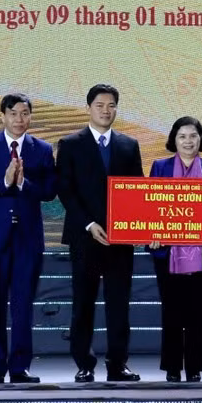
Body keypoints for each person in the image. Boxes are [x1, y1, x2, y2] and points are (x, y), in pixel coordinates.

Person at [0, 93, 56, 384]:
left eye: (25, 113)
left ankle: (20, 367)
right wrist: (4, 183)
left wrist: (23, 183)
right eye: (14, 113)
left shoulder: (41, 149)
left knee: (23, 304)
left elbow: (48, 192)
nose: (20, 119)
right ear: (2, 115)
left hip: (27, 240)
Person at [56, 84, 144, 382]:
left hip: (120, 239)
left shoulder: (129, 145)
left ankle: (118, 364)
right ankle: (84, 363)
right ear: (88, 108)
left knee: (119, 304)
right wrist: (90, 224)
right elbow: (65, 191)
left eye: (111, 105)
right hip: (85, 236)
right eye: (100, 105)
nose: (106, 110)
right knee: (83, 303)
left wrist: (134, 226)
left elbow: (137, 192)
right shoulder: (69, 144)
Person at [147, 116, 202, 383]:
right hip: (167, 252)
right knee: (171, 309)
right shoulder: (160, 166)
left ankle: (193, 367)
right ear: (174, 140)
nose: (188, 141)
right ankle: (171, 366)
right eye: (182, 136)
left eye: (193, 136)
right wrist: (151, 236)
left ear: (200, 139)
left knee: (197, 310)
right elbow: (150, 208)